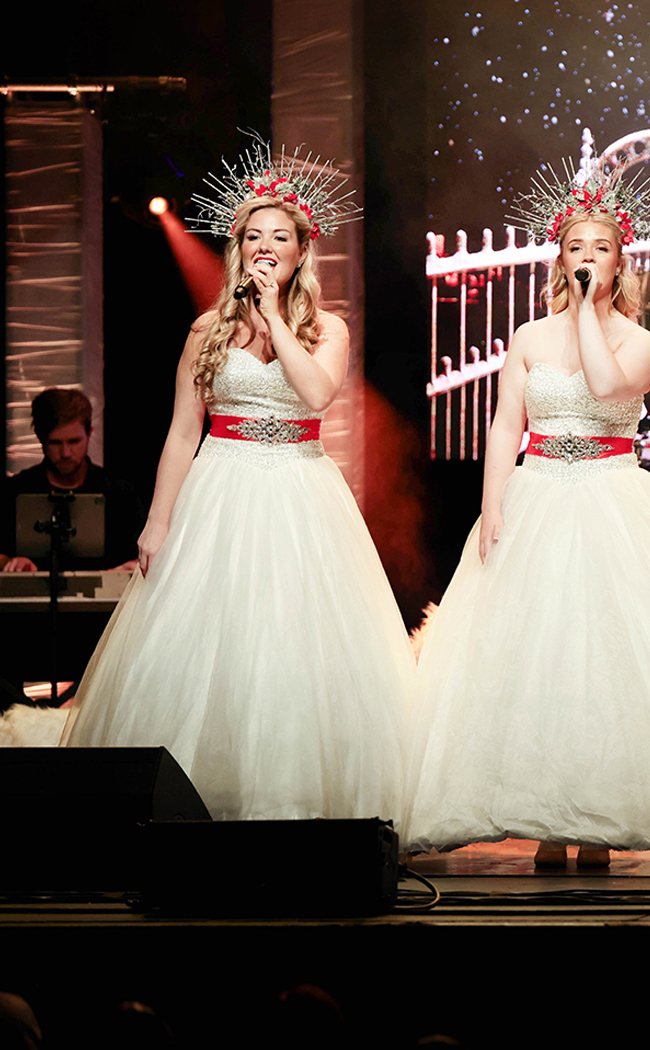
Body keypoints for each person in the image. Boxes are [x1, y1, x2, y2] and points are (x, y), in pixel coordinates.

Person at [62, 137, 410, 823]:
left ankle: (296, 799)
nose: (266, 247)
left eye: (280, 237)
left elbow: (317, 395)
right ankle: (200, 801)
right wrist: (158, 520)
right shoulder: (206, 331)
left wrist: (276, 317)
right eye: (254, 236)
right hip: (221, 485)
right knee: (210, 644)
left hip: (300, 489)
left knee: (294, 639)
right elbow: (181, 432)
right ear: (238, 248)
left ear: (301, 252)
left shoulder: (327, 330)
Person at [403, 163, 650, 866]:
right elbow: (506, 426)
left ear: (620, 263)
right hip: (539, 494)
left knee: (608, 663)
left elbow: (607, 384)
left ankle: (599, 824)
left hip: (613, 499)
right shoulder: (529, 337)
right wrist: (493, 504)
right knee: (538, 662)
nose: (587, 258)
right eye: (576, 248)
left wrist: (587, 314)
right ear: (560, 258)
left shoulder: (640, 339)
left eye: (601, 249)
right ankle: (549, 820)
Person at [1, 389, 144, 572]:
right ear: (40, 438)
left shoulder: (121, 494)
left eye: (74, 441)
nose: (66, 453)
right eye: (55, 443)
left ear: (89, 433)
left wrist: (130, 569)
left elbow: (143, 557)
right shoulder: (14, 491)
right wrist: (10, 563)